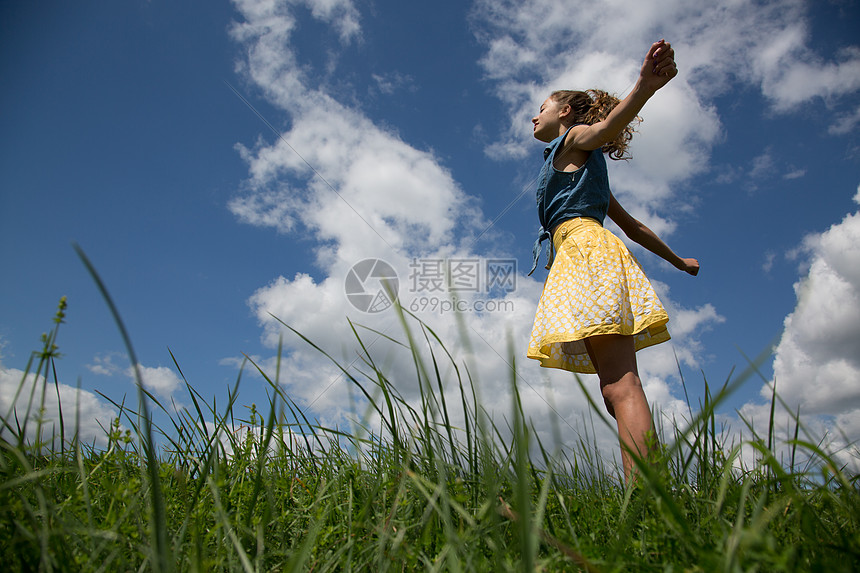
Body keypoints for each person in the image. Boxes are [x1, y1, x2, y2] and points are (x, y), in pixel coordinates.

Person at [526, 40, 699, 483]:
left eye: (541, 107)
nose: (534, 116)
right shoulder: (578, 166)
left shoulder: (575, 139)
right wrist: (678, 261)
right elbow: (634, 226)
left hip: (587, 253)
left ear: (565, 113)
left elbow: (603, 129)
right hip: (582, 255)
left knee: (621, 386)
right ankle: (639, 490)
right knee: (613, 389)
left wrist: (644, 88)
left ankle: (649, 496)